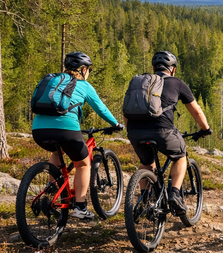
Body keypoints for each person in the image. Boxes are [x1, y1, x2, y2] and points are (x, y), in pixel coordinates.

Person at [31, 52, 123, 220]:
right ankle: (80, 207)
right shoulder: (83, 85)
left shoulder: (53, 80)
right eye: (89, 70)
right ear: (83, 70)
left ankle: (51, 186)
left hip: (38, 130)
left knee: (56, 152)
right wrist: (116, 124)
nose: (88, 73)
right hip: (66, 130)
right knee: (83, 164)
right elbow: (101, 109)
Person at [126, 51, 212, 215]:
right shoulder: (177, 83)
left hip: (135, 131)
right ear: (172, 69)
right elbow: (196, 111)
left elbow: (126, 111)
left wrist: (131, 133)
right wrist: (205, 129)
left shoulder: (140, 83)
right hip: (162, 130)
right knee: (180, 156)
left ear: (153, 68)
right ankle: (174, 194)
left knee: (146, 162)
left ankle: (145, 198)